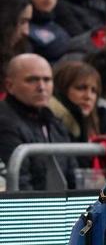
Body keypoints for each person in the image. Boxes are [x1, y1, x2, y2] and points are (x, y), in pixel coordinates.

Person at [0, 53, 76, 191]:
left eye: (47, 80)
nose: (41, 87)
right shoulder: (4, 123)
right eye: (32, 80)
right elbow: (19, 186)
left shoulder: (55, 122)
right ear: (9, 85)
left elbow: (72, 175)